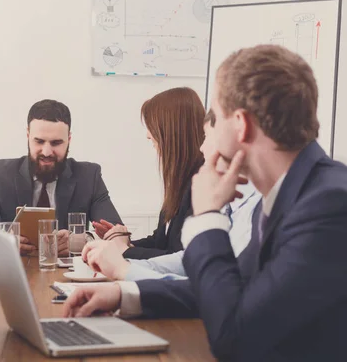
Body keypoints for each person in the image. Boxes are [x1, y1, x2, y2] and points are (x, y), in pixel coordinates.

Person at [63, 45, 347, 361]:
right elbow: (231, 290)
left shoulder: (330, 205)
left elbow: (238, 337)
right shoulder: (290, 193)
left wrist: (207, 217)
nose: (205, 127)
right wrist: (124, 293)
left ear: (241, 125)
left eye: (215, 114)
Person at [83, 109, 261, 281]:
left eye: (207, 135)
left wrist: (124, 255)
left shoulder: (206, 188)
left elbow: (201, 271)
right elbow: (187, 260)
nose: (201, 147)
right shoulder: (182, 187)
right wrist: (124, 251)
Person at [0, 99, 123, 255]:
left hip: (69, 275)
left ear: (69, 140)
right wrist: (4, 242)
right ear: (28, 136)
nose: (46, 152)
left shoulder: (89, 175)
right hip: (16, 270)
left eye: (56, 143)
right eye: (39, 141)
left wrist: (83, 240)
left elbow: (117, 234)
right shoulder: (1, 174)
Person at [93, 88, 205, 260]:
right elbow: (160, 241)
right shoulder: (180, 182)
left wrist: (123, 250)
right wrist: (120, 242)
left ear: (172, 131)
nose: (148, 135)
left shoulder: (202, 184)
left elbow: (179, 258)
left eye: (152, 128)